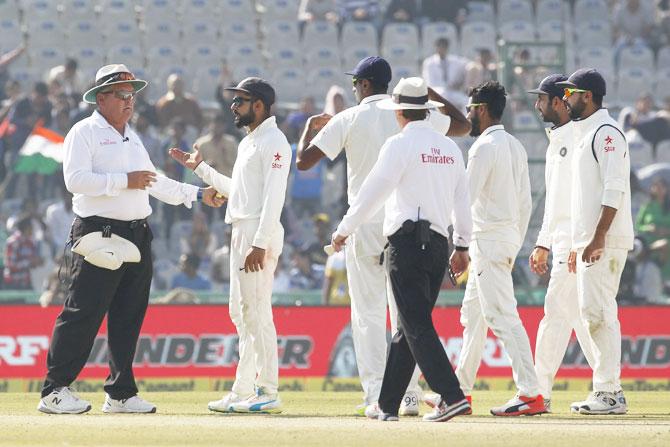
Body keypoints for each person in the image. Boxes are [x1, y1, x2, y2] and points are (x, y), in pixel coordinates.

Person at [37, 64, 224, 415]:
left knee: (128, 316)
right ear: (101, 98)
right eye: (122, 94)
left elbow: (152, 181)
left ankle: (120, 392)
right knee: (83, 312)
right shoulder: (84, 131)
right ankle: (54, 390)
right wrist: (124, 181)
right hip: (98, 231)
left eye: (132, 94)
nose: (129, 101)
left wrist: (198, 195)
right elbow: (75, 180)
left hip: (137, 232)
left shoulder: (131, 136)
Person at [296, 56, 471, 417]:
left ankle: (379, 396)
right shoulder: (427, 120)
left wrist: (311, 127)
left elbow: (304, 161)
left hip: (365, 222)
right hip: (406, 221)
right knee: (403, 314)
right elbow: (463, 125)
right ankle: (406, 396)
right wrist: (428, 93)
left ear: (362, 85)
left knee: (368, 314)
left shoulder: (348, 117)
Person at [169, 77, 291, 414]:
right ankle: (243, 390)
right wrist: (201, 169)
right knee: (241, 313)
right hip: (242, 230)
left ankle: (268, 389)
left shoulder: (275, 142)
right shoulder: (250, 142)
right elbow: (237, 191)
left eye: (240, 101)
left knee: (257, 311)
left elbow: (273, 198)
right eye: (234, 101)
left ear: (259, 105)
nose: (233, 107)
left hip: (256, 234)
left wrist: (260, 243)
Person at [454, 81, 544, 416]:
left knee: (501, 315)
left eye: (470, 109)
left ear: (482, 109)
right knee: (473, 318)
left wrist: (459, 243)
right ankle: (459, 392)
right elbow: (526, 203)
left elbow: (465, 198)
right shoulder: (515, 146)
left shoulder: (483, 148)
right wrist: (513, 241)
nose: (467, 115)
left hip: (486, 240)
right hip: (502, 238)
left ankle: (530, 393)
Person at [557, 68, 634, 414]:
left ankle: (609, 392)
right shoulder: (585, 132)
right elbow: (585, 198)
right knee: (594, 312)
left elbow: (613, 188)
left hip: (607, 238)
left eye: (571, 93)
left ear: (587, 96)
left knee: (599, 312)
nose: (566, 99)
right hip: (592, 240)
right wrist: (578, 242)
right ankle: (607, 389)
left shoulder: (606, 132)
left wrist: (598, 236)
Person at [527, 75, 596, 412]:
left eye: (541, 99)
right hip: (562, 241)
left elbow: (579, 199)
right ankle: (607, 383)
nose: (536, 105)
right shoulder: (557, 139)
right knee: (574, 315)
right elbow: (554, 201)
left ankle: (538, 392)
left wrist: (573, 243)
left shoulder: (576, 138)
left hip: (573, 241)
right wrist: (543, 242)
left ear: (557, 102)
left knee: (557, 312)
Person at [421, 38, 469, 110]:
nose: (441, 49)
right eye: (439, 47)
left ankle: (464, 120)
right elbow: (429, 82)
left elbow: (469, 64)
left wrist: (460, 81)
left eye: (444, 47)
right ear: (436, 48)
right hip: (435, 91)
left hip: (451, 91)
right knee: (443, 94)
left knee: (466, 100)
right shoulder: (429, 62)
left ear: (447, 48)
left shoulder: (455, 60)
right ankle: (445, 120)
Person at [3, 214, 42, 290]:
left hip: (26, 282)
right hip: (12, 283)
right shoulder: (13, 242)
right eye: (31, 227)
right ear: (26, 228)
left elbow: (31, 262)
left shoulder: (30, 242)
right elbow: (11, 265)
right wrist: (29, 262)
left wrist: (37, 262)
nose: (33, 230)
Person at [194, 112, 238, 178]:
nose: (218, 127)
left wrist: (225, 155)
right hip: (207, 181)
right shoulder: (201, 143)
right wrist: (206, 165)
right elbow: (195, 165)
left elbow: (237, 164)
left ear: (225, 126)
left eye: (221, 125)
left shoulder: (231, 142)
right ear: (210, 125)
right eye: (216, 124)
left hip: (227, 180)